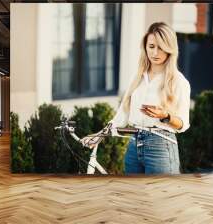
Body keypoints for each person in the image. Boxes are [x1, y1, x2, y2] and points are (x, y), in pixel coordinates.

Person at [81, 22, 191, 175]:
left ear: (170, 49)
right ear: (145, 47)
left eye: (161, 47)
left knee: (159, 196)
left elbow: (183, 124)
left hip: (161, 146)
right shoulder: (137, 77)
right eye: (151, 46)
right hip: (134, 145)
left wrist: (165, 116)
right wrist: (99, 136)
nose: (155, 52)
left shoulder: (179, 82)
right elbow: (122, 115)